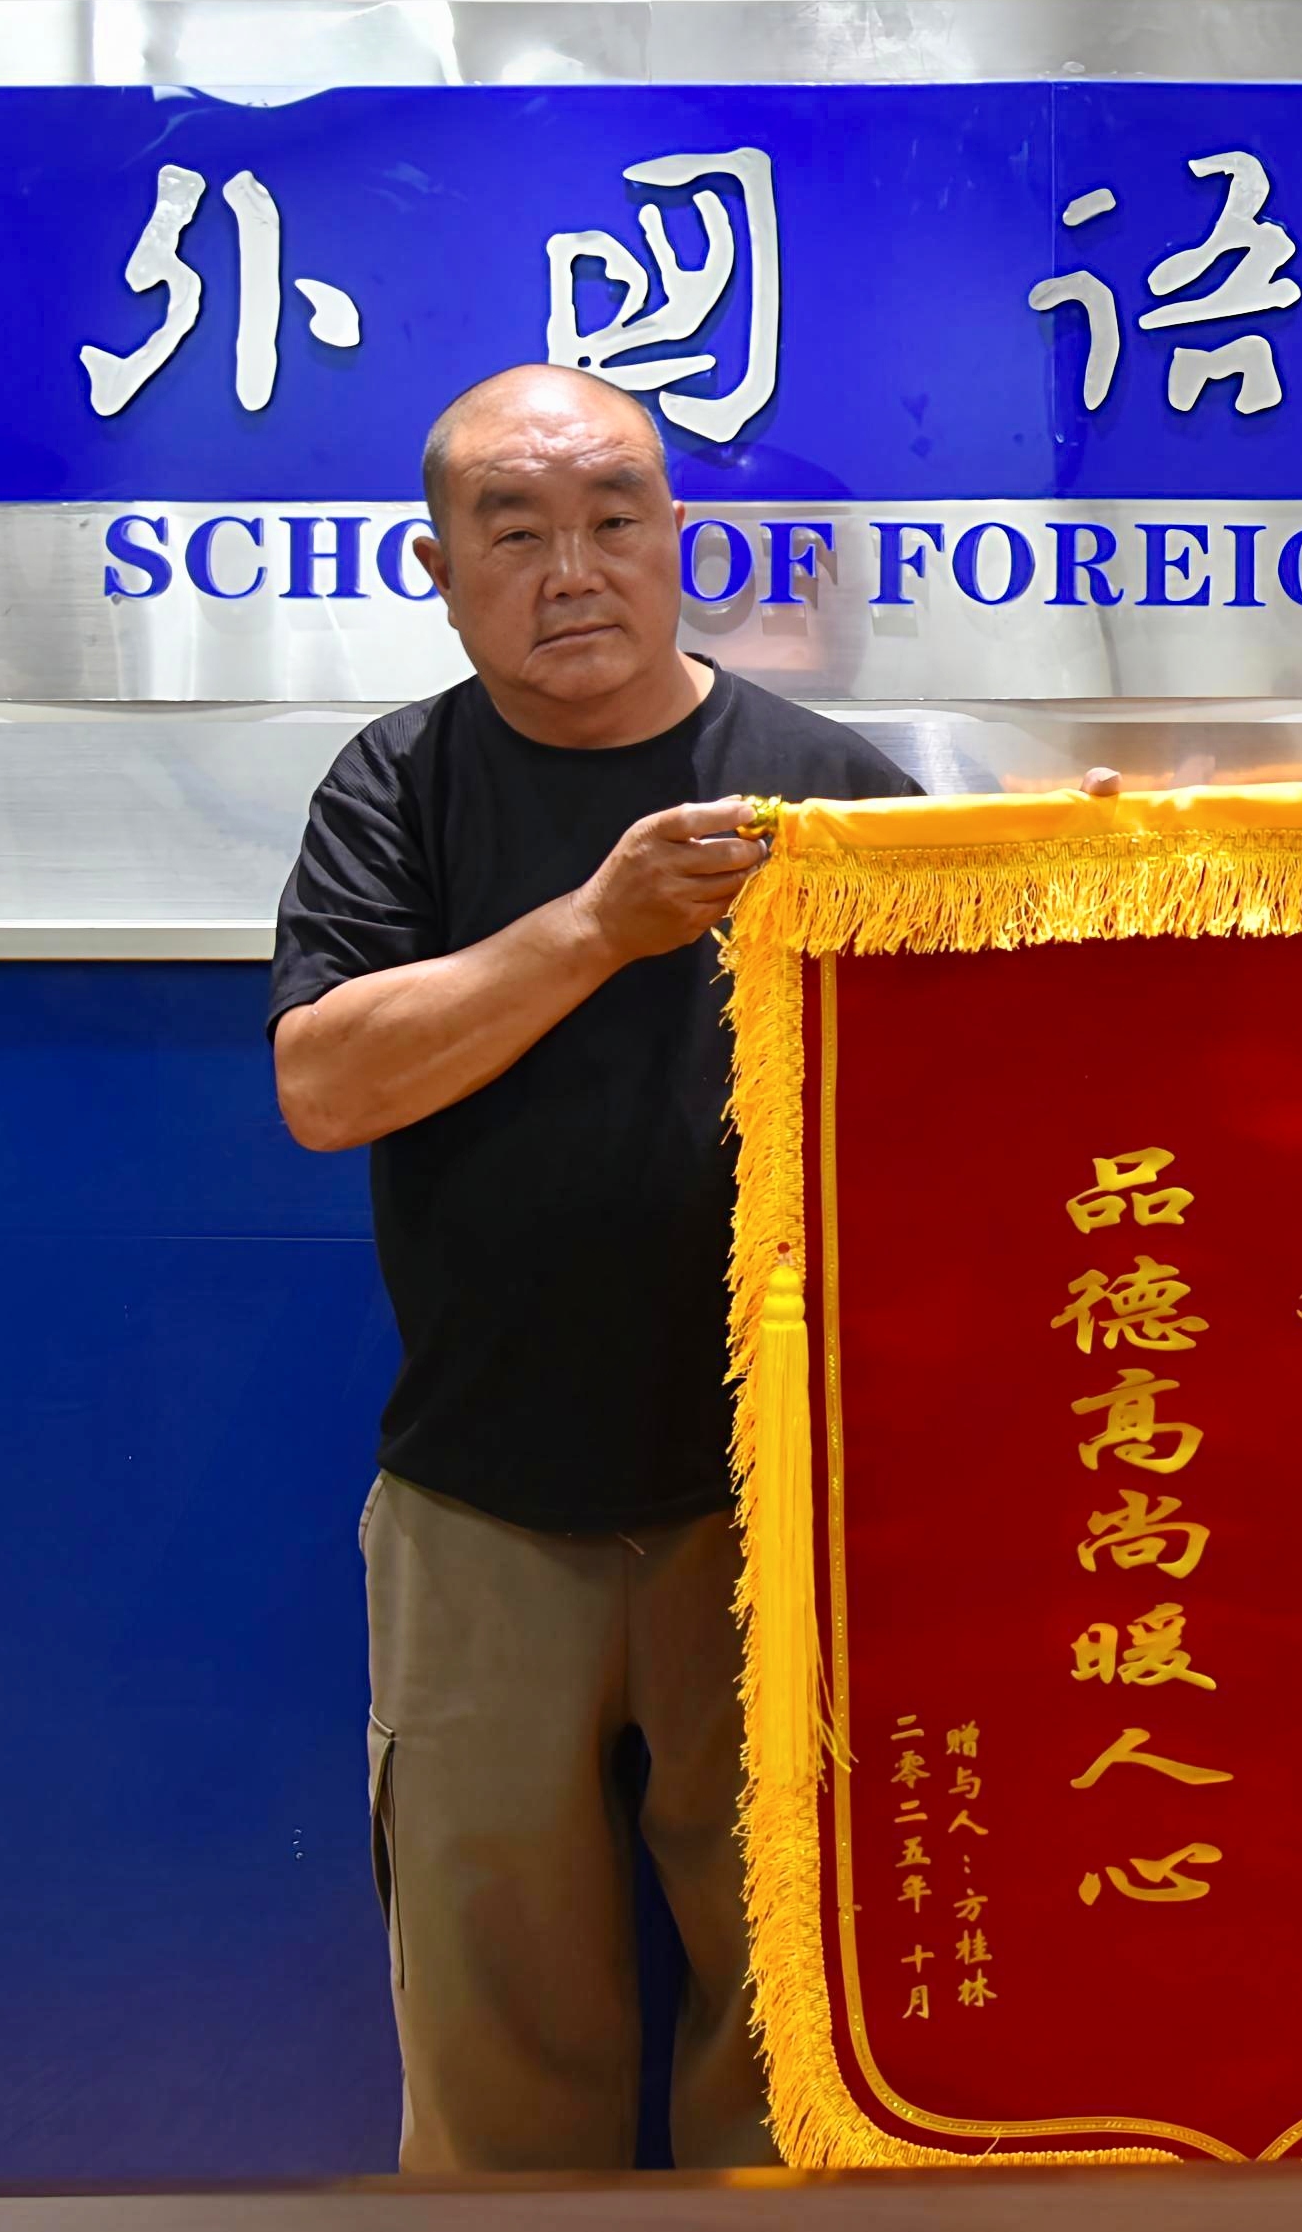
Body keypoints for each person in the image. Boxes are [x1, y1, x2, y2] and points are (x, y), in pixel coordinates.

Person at [268, 364, 917, 2172]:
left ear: (677, 538)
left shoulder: (827, 788)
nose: (574, 569)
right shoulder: (398, 785)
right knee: (496, 2042)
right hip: (482, 1504)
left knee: (797, 2039)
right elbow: (324, 1086)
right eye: (517, 531)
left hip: (780, 1512)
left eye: (615, 519)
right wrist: (593, 927)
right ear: (437, 569)